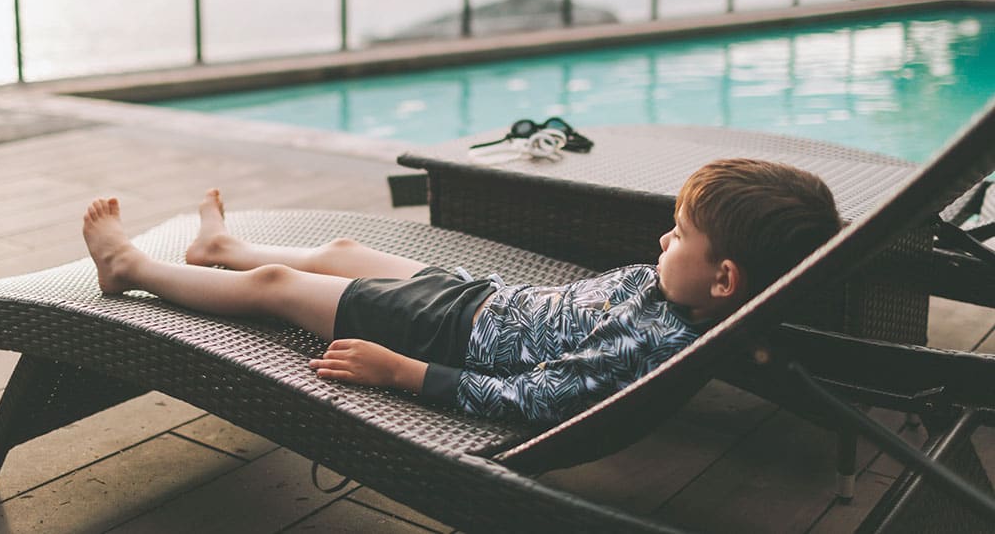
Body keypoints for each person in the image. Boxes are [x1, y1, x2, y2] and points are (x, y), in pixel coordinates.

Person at [82, 158, 841, 424]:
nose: (665, 239)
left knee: (283, 287)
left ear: (725, 277)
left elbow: (533, 401)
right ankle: (222, 247)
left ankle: (133, 269)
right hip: (484, 302)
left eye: (680, 235)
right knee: (344, 248)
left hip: (444, 337)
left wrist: (403, 371)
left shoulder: (653, 341)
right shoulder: (689, 299)